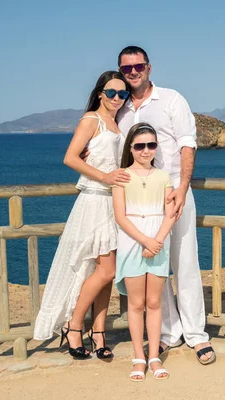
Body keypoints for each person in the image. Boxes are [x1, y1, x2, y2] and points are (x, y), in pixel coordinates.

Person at [116, 46, 215, 364]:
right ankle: (170, 334)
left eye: (138, 65)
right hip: (140, 203)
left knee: (185, 263)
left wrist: (183, 188)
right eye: (127, 68)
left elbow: (188, 144)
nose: (133, 72)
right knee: (157, 268)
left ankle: (197, 335)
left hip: (175, 195)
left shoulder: (172, 99)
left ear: (149, 67)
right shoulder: (120, 107)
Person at [33, 71, 131, 360]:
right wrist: (104, 176)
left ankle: (98, 332)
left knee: (105, 274)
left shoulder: (117, 122)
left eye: (122, 94)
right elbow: (70, 157)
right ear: (100, 92)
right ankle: (74, 325)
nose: (116, 98)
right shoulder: (91, 120)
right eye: (111, 92)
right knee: (106, 270)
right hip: (93, 203)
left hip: (113, 204)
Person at [113, 122, 175, 381]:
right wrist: (146, 241)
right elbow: (120, 216)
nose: (146, 150)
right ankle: (138, 357)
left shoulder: (163, 177)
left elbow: (170, 211)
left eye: (151, 145)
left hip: (159, 240)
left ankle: (154, 356)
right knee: (136, 304)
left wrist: (157, 240)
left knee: (154, 302)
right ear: (131, 147)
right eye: (140, 145)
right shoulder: (122, 176)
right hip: (132, 241)